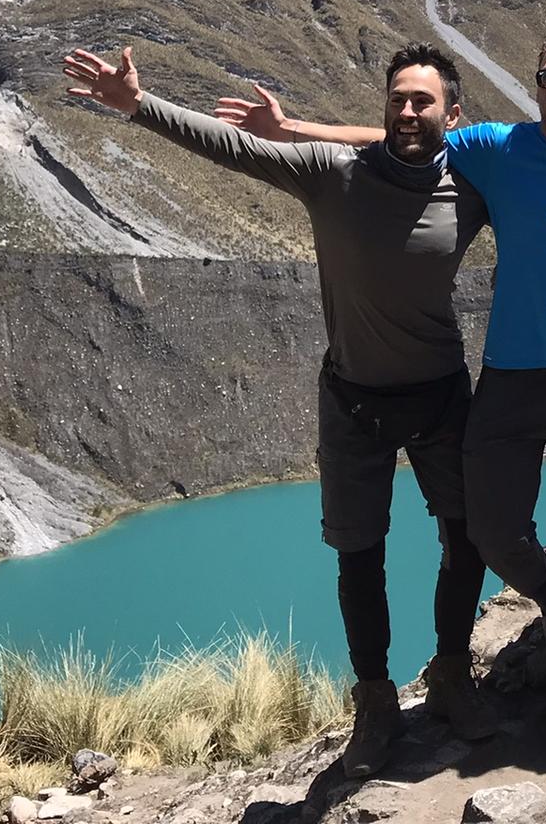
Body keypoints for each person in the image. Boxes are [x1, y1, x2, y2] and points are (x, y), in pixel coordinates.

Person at [58, 42, 496, 780]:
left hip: (441, 398)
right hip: (353, 401)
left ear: (454, 113)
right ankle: (377, 700)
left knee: (467, 540)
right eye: (397, 99)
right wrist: (138, 106)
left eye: (423, 101)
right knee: (360, 556)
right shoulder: (333, 174)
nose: (408, 112)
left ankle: (453, 672)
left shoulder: (476, 185)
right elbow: (229, 145)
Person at [227, 21, 546, 773]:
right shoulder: (497, 146)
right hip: (512, 374)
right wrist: (291, 127)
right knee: (490, 532)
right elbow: (400, 136)